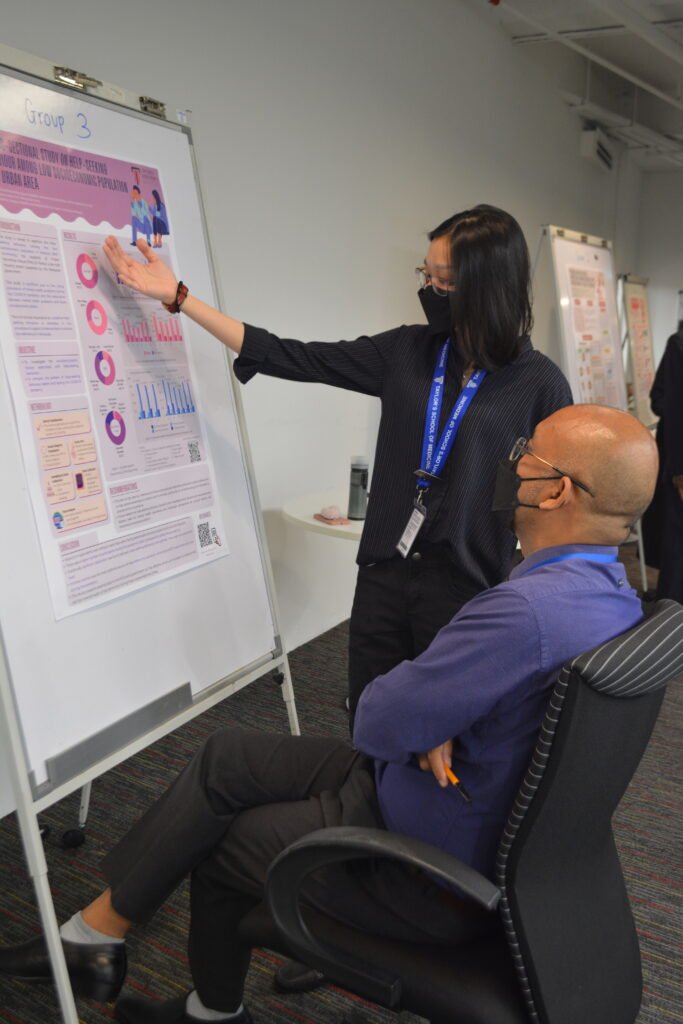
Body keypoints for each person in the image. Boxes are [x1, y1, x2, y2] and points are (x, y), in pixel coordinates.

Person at [0, 405, 658, 1024]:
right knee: (226, 755)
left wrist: (425, 715)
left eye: (527, 455)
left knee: (223, 844)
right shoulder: (609, 595)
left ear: (556, 492)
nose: (512, 465)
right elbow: (444, 709)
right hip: (437, 795)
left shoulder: (525, 614)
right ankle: (95, 936)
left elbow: (376, 719)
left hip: (421, 861)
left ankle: (211, 1013)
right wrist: (441, 716)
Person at [101, 205, 573, 730]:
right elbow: (295, 356)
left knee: (443, 733)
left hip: (466, 591)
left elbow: (557, 507)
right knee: (369, 719)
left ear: (486, 287)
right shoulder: (408, 351)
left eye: (444, 281)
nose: (429, 290)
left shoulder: (542, 386)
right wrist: (180, 297)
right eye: (426, 274)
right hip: (385, 575)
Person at [641, 322, 683, 602]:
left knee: (677, 541)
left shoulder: (679, 344)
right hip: (678, 462)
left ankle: (672, 610)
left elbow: (662, 402)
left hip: (678, 461)